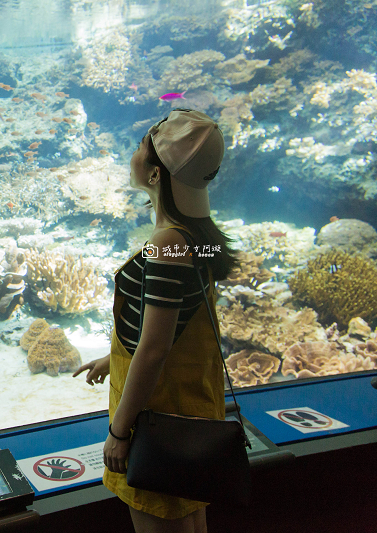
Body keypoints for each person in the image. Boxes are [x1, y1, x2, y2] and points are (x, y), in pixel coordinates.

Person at [73, 109, 240, 533]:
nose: (132, 156)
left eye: (139, 149)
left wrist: (120, 431)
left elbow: (155, 349)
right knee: (191, 519)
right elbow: (176, 318)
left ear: (155, 175)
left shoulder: (168, 242)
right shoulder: (196, 236)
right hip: (187, 411)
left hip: (158, 420)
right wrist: (114, 358)